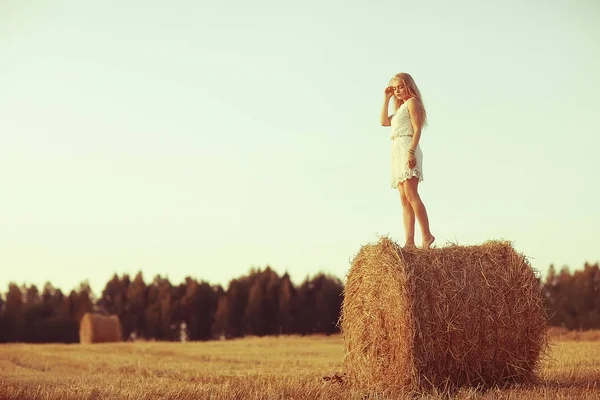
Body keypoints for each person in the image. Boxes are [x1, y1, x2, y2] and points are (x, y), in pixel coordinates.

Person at [380, 72, 435, 249]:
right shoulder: (399, 109)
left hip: (407, 148)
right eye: (394, 88)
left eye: (400, 87)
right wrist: (386, 98)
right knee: (404, 199)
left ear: (409, 86)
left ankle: (427, 236)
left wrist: (411, 152)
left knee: (412, 195)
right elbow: (383, 122)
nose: (397, 91)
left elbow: (418, 129)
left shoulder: (412, 103)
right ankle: (409, 241)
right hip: (397, 151)